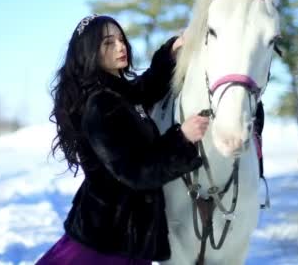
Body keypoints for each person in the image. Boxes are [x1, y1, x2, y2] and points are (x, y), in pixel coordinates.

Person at [37, 14, 210, 264]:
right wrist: (181, 139)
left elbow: (144, 89)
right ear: (90, 52)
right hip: (105, 243)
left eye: (121, 39)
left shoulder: (118, 95)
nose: (121, 47)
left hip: (126, 239)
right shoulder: (100, 104)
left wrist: (171, 52)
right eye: (108, 43)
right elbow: (135, 171)